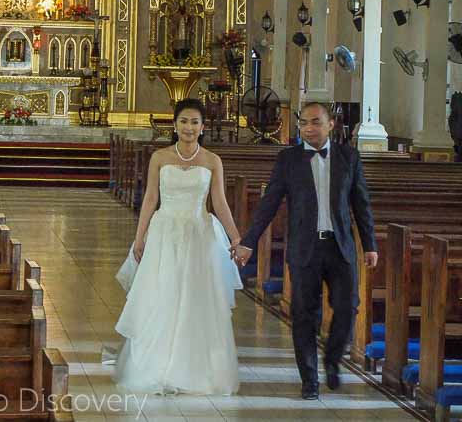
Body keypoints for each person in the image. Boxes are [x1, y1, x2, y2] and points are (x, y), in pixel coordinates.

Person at [233, 101, 378, 400]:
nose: (309, 128)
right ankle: (309, 380)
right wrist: (248, 241)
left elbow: (361, 205)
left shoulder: (349, 157)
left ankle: (333, 358)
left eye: (315, 122)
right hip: (304, 248)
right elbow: (269, 203)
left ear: (331, 125)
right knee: (304, 315)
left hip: (339, 247)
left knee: (348, 305)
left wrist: (370, 245)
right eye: (304, 123)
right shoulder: (288, 160)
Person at [113, 97, 243, 395]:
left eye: (194, 122)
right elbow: (150, 198)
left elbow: (220, 203)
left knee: (196, 301)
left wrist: (235, 237)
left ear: (203, 127)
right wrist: (139, 235)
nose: (188, 127)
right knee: (163, 296)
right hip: (165, 233)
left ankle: (194, 370)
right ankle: (157, 367)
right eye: (183, 121)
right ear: (174, 124)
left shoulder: (212, 161)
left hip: (200, 234)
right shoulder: (159, 157)